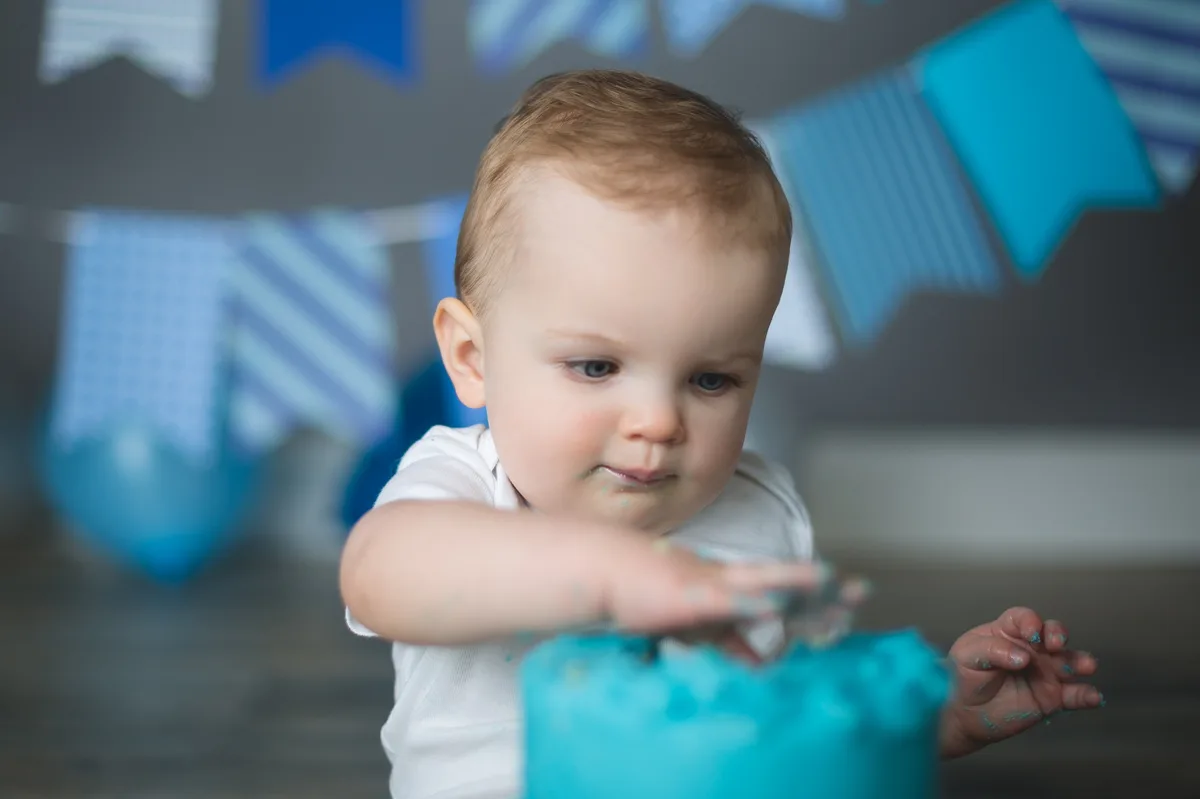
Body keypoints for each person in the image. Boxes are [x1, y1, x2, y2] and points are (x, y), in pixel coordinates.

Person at [339, 69, 1103, 799]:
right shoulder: (464, 488)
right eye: (597, 366)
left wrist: (940, 714)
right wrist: (613, 578)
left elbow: (794, 717)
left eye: (710, 379)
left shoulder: (758, 512)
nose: (659, 421)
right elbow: (381, 574)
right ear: (474, 359)